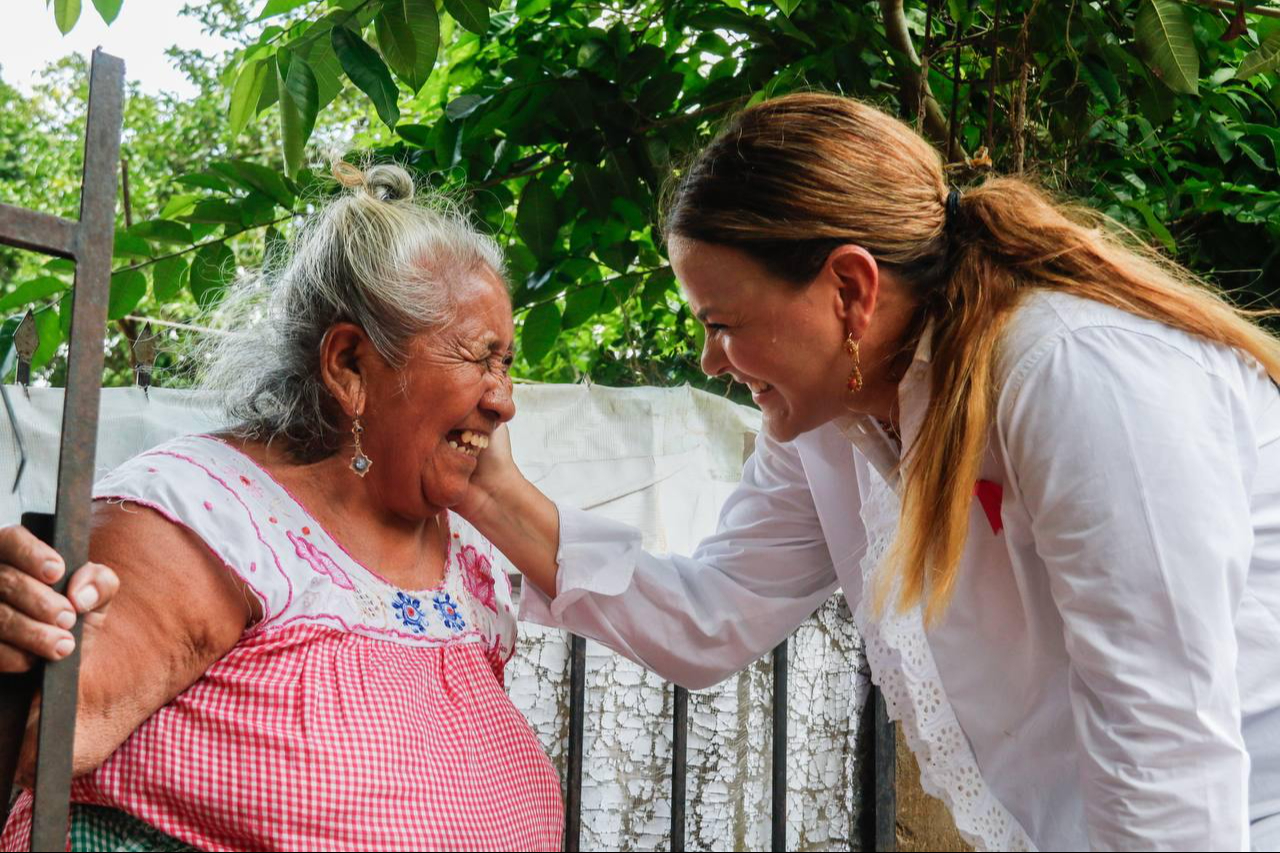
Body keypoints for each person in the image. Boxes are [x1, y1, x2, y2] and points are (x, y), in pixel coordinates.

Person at [455, 93, 1280, 851]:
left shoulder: (1076, 376)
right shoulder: (830, 424)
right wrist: (487, 490)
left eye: (724, 323)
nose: (710, 360)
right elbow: (710, 618)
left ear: (850, 287)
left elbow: (1171, 769)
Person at [0, 163, 563, 851]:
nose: (504, 399)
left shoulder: (463, 558)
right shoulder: (211, 515)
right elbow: (47, 733)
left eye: (507, 363)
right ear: (350, 363)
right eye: (482, 357)